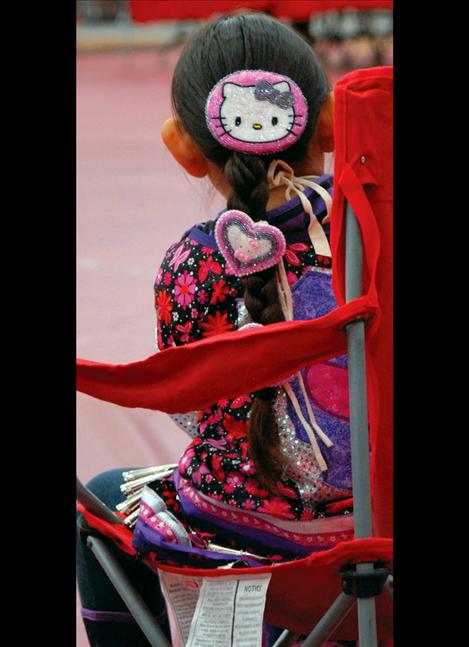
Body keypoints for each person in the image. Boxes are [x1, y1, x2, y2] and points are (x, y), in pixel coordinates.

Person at [77, 11, 356, 647]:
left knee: (102, 495)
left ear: (183, 148)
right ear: (333, 124)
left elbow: (195, 411)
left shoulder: (191, 264)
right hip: (367, 541)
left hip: (232, 536)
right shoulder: (377, 248)